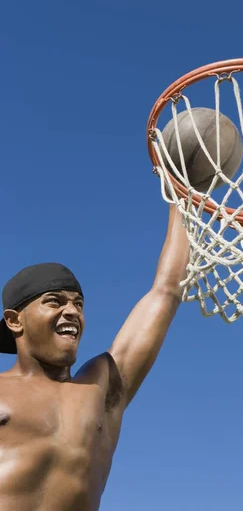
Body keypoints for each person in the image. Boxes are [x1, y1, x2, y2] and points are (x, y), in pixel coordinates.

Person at [0, 205, 189, 511]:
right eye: (54, 302)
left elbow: (166, 291)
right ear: (14, 320)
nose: (72, 311)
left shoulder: (100, 386)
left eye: (78, 303)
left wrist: (182, 197)